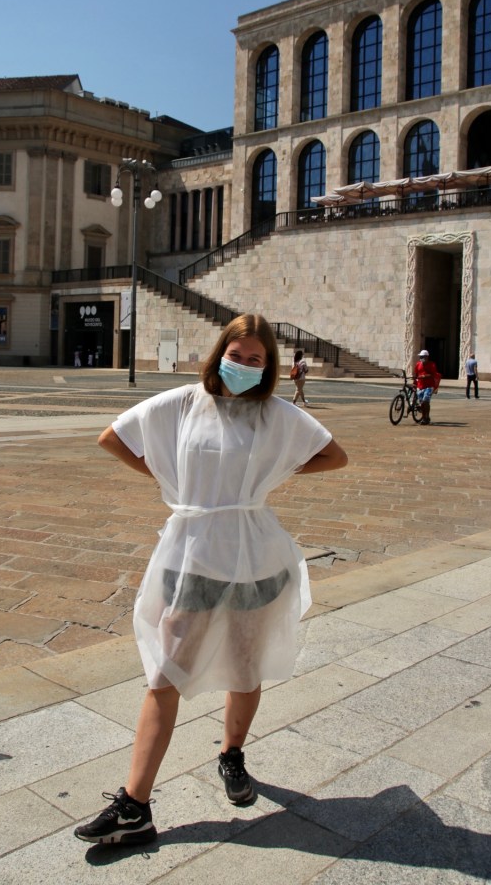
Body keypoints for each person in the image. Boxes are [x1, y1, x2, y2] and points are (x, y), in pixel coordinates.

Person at [74, 314, 347, 846]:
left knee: (244, 666)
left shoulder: (275, 413)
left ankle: (232, 753)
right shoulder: (182, 402)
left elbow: (334, 456)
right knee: (165, 672)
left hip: (254, 554)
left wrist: (268, 477)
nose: (243, 365)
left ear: (267, 367)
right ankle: (135, 803)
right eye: (236, 355)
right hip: (193, 553)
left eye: (254, 359)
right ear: (219, 354)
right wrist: (171, 478)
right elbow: (114, 437)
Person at [414, 348, 441, 425]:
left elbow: (433, 374)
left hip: (429, 386)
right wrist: (414, 383)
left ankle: (427, 416)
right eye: (420, 357)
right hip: (420, 385)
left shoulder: (432, 364)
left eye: (422, 357)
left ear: (426, 357)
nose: (421, 358)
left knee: (426, 401)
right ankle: (424, 417)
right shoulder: (418, 364)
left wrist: (425, 376)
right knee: (422, 403)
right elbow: (416, 375)